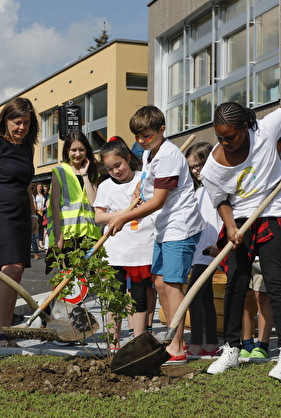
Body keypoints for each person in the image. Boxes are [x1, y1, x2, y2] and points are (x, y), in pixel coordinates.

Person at [201, 93, 281, 380]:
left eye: (231, 137)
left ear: (245, 127)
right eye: (220, 137)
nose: (225, 143)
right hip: (240, 219)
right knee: (236, 283)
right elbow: (221, 201)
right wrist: (229, 225)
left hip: (272, 212)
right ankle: (231, 349)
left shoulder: (265, 129)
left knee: (274, 281)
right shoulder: (212, 167)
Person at [108, 106, 205, 365]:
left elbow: (160, 201)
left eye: (147, 136)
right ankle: (173, 340)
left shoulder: (169, 156)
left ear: (162, 130)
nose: (141, 141)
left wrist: (124, 217)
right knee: (160, 283)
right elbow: (149, 180)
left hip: (179, 227)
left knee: (172, 285)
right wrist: (141, 184)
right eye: (138, 137)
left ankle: (177, 346)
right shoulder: (151, 153)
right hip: (165, 227)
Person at [240, 134, 281, 359]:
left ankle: (263, 344)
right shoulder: (251, 166)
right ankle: (245, 343)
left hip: (270, 239)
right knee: (245, 293)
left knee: (263, 295)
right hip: (247, 235)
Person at [0, 97, 38, 347]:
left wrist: (33, 213)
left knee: (17, 272)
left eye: (26, 123)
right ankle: (0, 333)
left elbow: (26, 184)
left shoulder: (28, 148)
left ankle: (5, 330)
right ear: (6, 120)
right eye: (17, 122)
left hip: (20, 214)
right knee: (10, 268)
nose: (21, 128)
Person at [93, 137, 154, 351]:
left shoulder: (143, 179)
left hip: (141, 249)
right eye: (110, 168)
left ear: (128, 158)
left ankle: (138, 343)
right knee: (114, 298)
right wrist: (122, 214)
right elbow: (99, 217)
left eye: (118, 165)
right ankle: (113, 344)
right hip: (115, 252)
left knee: (139, 297)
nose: (116, 171)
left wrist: (131, 211)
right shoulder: (106, 187)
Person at [184, 142, 222, 356]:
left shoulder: (217, 188)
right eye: (192, 166)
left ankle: (197, 343)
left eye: (199, 164)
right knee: (205, 298)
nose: (195, 169)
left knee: (193, 294)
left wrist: (220, 244)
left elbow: (225, 219)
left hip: (211, 250)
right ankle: (211, 343)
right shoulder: (198, 191)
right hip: (199, 251)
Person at [46, 129, 101, 273]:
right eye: (74, 150)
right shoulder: (60, 171)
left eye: (81, 150)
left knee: (91, 281)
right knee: (72, 281)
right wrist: (58, 235)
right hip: (69, 235)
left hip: (90, 234)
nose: (78, 154)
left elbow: (93, 202)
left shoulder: (92, 171)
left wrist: (85, 176)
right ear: (67, 151)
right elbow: (55, 206)